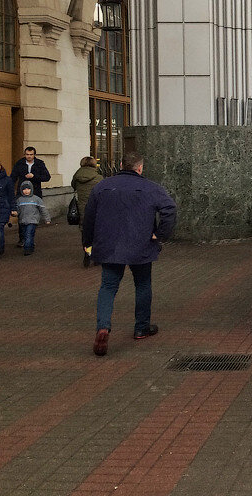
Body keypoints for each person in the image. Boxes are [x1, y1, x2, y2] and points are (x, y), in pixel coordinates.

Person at [83, 152, 177, 356]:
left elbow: (89, 216)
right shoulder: (150, 187)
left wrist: (88, 243)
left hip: (108, 245)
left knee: (108, 287)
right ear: (140, 168)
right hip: (140, 244)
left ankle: (103, 327)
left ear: (120, 165)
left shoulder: (102, 186)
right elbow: (170, 208)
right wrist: (159, 235)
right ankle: (141, 327)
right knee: (142, 284)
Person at [11, 147, 50, 246]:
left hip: (35, 192)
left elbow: (47, 177)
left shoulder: (40, 163)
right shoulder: (19, 163)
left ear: (34, 155)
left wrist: (34, 176)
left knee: (33, 216)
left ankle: (30, 237)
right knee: (21, 215)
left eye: (31, 154)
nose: (29, 156)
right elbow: (13, 177)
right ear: (24, 154)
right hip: (22, 192)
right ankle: (22, 238)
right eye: (27, 154)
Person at [71, 157, 103, 266]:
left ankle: (87, 252)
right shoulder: (98, 177)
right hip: (96, 207)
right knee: (97, 231)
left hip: (82, 206)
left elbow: (73, 186)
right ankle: (97, 256)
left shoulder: (77, 176)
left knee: (85, 231)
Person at [14, 181, 51, 255]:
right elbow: (17, 210)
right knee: (25, 235)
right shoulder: (19, 200)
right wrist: (15, 213)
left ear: (31, 189)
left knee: (29, 234)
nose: (26, 191)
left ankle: (27, 249)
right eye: (24, 189)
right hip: (23, 221)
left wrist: (47, 219)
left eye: (28, 189)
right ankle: (30, 245)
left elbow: (43, 209)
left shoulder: (36, 199)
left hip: (33, 221)